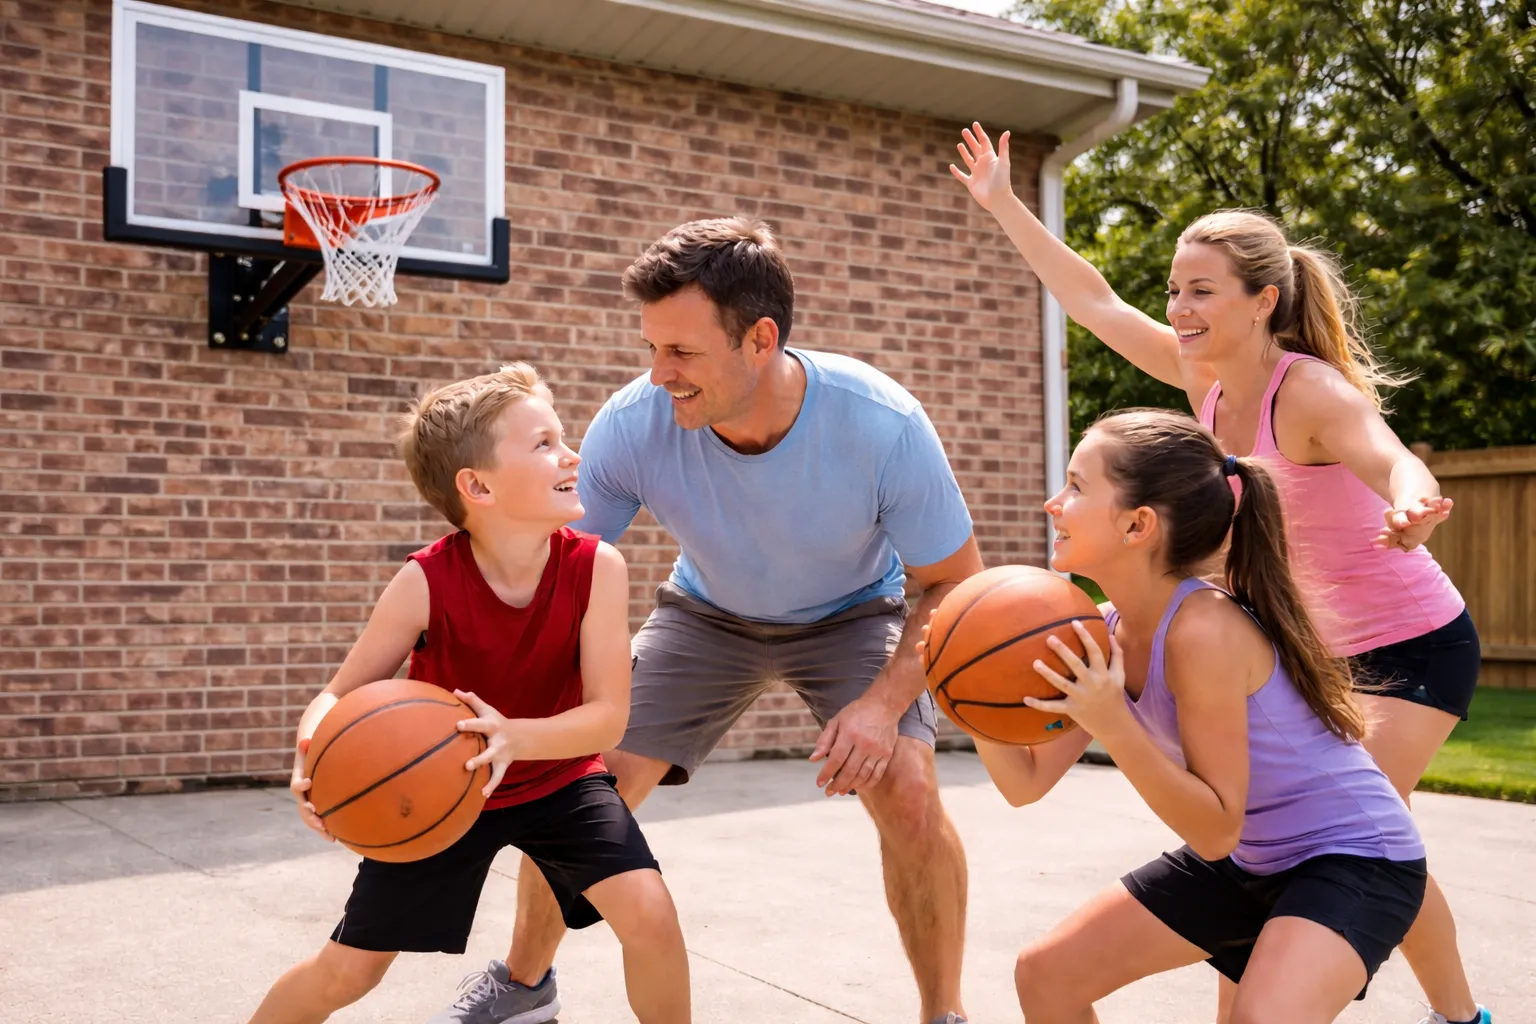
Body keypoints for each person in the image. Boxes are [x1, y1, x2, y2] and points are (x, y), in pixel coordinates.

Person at [952, 123, 1488, 1024]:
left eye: (1201, 290)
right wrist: (1006, 203)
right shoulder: (1198, 380)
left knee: (1353, 827)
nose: (1179, 306)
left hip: (1410, 639)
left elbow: (1390, 454)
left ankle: (1457, 1013)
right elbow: (1092, 302)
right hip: (1306, 636)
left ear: (1262, 301)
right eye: (1174, 289)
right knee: (1285, 842)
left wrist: (1411, 503)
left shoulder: (1306, 391)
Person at [439, 217, 984, 1024]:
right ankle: (523, 988)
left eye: (682, 353)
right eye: (652, 348)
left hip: (853, 613)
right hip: (707, 614)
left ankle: (944, 1014)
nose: (659, 374)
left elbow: (952, 587)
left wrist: (877, 706)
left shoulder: (880, 423)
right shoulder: (634, 423)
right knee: (586, 780)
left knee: (907, 787)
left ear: (759, 339)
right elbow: (557, 566)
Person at [941, 408, 1427, 1023]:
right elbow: (1025, 783)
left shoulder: (1203, 631)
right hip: (1254, 859)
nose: (1052, 503)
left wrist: (1113, 719)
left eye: (1076, 486)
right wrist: (964, 688)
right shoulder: (1101, 632)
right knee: (1047, 975)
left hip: (1356, 858)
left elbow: (1216, 829)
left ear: (1137, 524)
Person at [248, 364, 690, 1024]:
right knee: (349, 971)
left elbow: (606, 718)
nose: (572, 455)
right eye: (544, 444)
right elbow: (338, 694)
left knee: (651, 917)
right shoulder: (426, 581)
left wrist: (517, 737)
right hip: (442, 788)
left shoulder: (597, 567)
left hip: (559, 782)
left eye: (562, 438)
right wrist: (310, 754)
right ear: (477, 485)